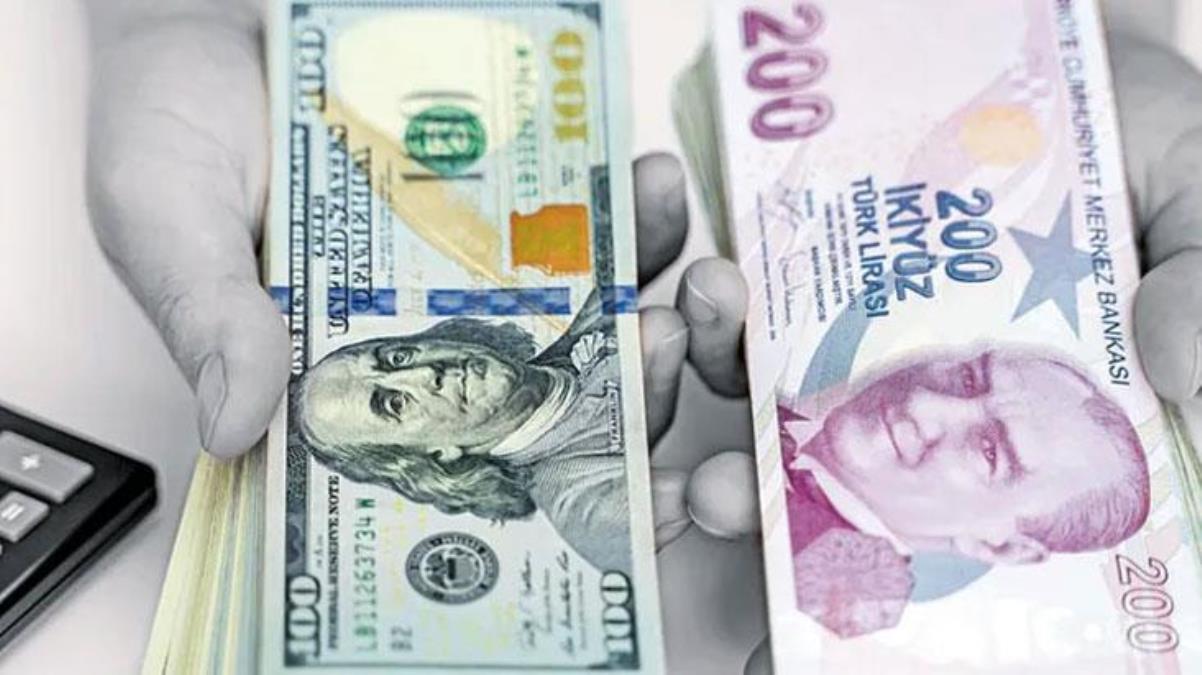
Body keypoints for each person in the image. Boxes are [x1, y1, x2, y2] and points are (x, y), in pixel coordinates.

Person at [85, 1, 1202, 671]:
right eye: (390, 397)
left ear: (1006, 547)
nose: (414, 363)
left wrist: (1111, 37)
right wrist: (175, 19)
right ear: (434, 458)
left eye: (989, 448)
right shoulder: (568, 465)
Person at [773, 347, 1149, 636]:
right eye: (969, 379)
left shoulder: (845, 599)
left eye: (990, 452)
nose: (921, 403)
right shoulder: (773, 403)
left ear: (1000, 547)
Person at [292, 290, 640, 574]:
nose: (426, 373)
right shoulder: (589, 506)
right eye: (395, 403)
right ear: (435, 456)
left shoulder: (598, 308)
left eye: (397, 358)